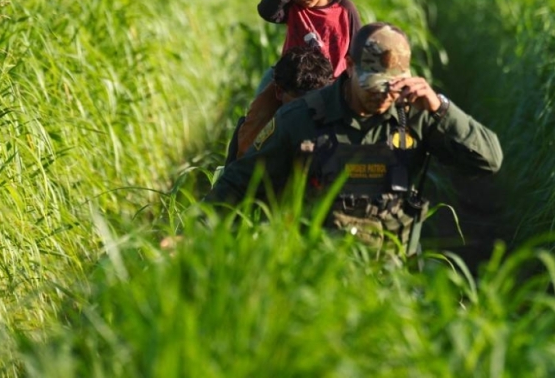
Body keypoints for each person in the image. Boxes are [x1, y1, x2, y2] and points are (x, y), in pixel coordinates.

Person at [202, 22, 503, 256]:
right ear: (349, 66)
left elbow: (489, 159)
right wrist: (193, 231)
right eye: (373, 86)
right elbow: (241, 182)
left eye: (391, 87)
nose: (383, 97)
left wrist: (441, 109)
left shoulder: (415, 114)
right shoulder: (301, 118)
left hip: (390, 267)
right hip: (316, 268)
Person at [244, 0, 363, 155]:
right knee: (256, 117)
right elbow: (266, 11)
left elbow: (356, 54)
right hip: (289, 81)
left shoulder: (345, 11)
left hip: (329, 85)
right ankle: (241, 169)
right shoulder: (292, 6)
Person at [224, 45, 334, 164]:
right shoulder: (260, 130)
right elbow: (242, 171)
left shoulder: (339, 124)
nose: (305, 111)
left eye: (313, 101)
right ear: (279, 92)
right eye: (299, 102)